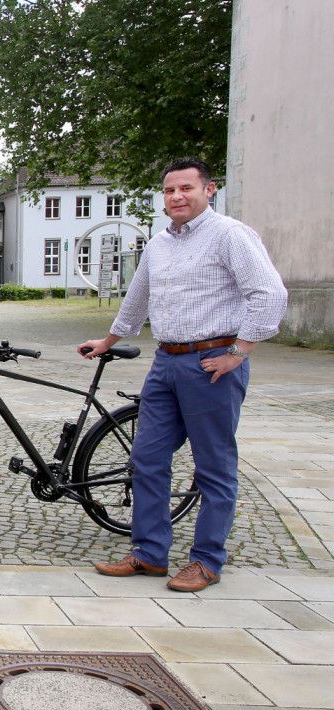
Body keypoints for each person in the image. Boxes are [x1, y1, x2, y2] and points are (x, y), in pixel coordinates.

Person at [82, 157, 287, 592]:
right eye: (170, 190)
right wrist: (108, 342)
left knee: (213, 466)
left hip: (212, 363)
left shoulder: (230, 236)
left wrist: (240, 351)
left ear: (208, 190)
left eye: (186, 189)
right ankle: (149, 553)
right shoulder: (158, 244)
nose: (176, 197)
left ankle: (207, 561)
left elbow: (269, 294)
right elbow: (136, 300)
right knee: (147, 458)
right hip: (166, 362)